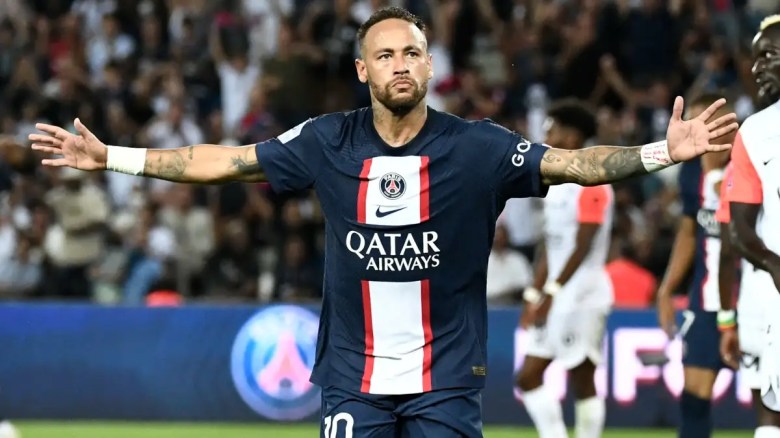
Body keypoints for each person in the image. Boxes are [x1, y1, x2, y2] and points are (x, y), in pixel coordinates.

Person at [28, 7, 738, 438]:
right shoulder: (326, 141)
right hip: (353, 380)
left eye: (414, 52)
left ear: (430, 66)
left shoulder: (477, 147)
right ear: (364, 70)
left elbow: (578, 164)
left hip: (445, 382)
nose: (402, 63)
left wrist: (658, 152)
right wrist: (111, 156)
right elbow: (219, 161)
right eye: (387, 54)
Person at [515, 99, 613, 438]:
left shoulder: (595, 180)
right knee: (527, 377)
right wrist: (533, 293)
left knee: (582, 379)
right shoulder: (555, 183)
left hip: (583, 295)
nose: (547, 137)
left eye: (551, 130)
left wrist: (551, 294)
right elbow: (550, 245)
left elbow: (582, 246)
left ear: (572, 136)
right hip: (555, 294)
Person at [655, 93, 735, 438]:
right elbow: (689, 231)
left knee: (768, 400)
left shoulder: (760, 164)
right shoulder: (691, 172)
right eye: (702, 122)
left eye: (717, 121)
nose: (708, 130)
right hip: (705, 302)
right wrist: (666, 290)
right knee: (693, 402)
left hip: (754, 299)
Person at [729, 14, 780, 427]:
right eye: (754, 58)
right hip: (776, 300)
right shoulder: (755, 132)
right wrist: (774, 263)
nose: (756, 68)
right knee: (773, 414)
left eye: (769, 55)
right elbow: (738, 227)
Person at [717, 158, 780, 438]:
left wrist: (727, 320)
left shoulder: (743, 161)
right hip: (763, 294)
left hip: (757, 297)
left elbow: (729, 248)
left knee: (767, 414)